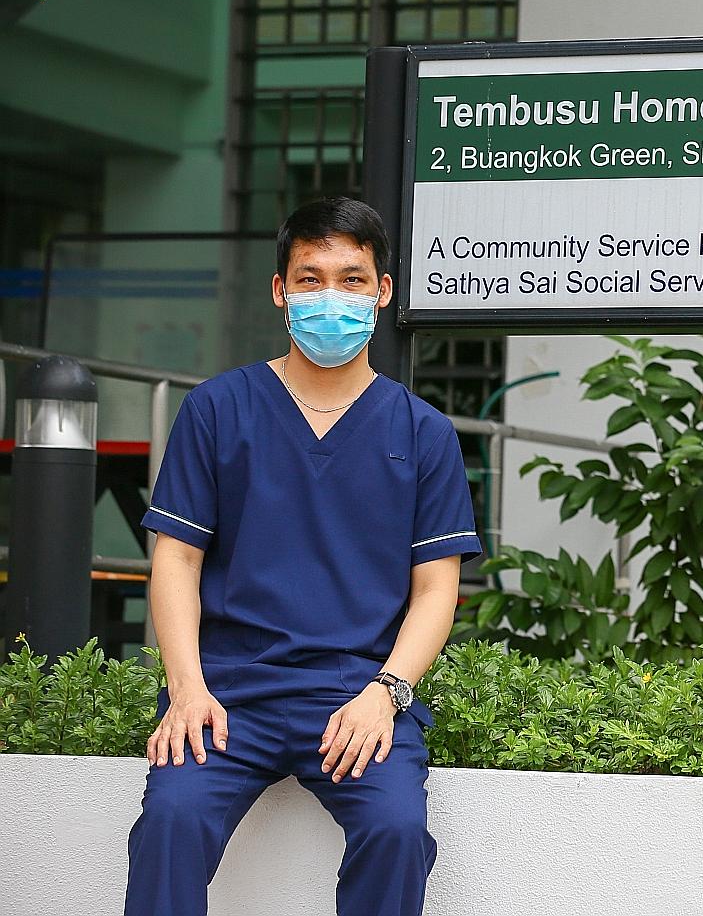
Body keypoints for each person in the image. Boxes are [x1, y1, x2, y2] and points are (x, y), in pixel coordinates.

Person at [123, 197, 482, 916]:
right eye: (310, 279)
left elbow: (438, 588)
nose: (331, 298)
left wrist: (386, 694)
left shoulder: (424, 433)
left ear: (382, 293)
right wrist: (187, 688)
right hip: (229, 691)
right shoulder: (219, 410)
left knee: (396, 830)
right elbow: (176, 561)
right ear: (281, 292)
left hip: (355, 691)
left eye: (352, 280)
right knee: (170, 821)